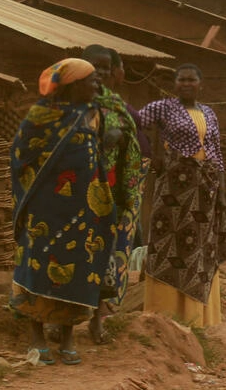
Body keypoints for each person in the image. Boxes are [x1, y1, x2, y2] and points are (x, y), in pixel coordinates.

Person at [10, 59, 113, 365]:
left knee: (78, 268)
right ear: (73, 84)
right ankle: (37, 336)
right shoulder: (42, 116)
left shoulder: (94, 115)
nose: (97, 86)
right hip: (46, 209)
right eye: (92, 81)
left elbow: (97, 159)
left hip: (82, 210)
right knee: (39, 264)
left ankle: (68, 337)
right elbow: (20, 154)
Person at [137, 64, 226, 328]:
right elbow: (134, 123)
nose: (186, 84)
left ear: (200, 84)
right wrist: (150, 155)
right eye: (181, 79)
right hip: (173, 190)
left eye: (192, 79)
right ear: (175, 83)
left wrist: (222, 191)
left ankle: (196, 317)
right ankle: (164, 313)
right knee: (167, 244)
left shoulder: (209, 113)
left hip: (204, 190)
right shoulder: (162, 108)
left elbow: (217, 153)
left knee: (199, 247)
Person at [81, 45, 144, 345]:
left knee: (103, 263)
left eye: (106, 67)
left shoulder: (117, 105)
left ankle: (96, 321)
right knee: (74, 260)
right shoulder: (73, 103)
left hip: (110, 193)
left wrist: (120, 138)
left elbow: (133, 140)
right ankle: (63, 320)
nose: (102, 72)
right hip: (77, 194)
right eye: (96, 66)